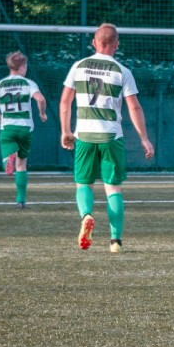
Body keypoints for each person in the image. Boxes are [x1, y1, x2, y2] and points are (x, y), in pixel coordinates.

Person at [60, 23, 154, 253]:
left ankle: (87, 215)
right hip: (111, 135)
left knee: (84, 184)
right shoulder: (122, 71)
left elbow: (65, 102)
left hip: (84, 134)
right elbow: (135, 107)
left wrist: (65, 131)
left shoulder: (78, 66)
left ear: (94, 42)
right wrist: (144, 138)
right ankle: (115, 241)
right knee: (113, 189)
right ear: (116, 45)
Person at [0, 50, 47, 208]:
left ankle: (8, 160)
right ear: (22, 67)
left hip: (8, 128)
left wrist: (0, 118)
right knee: (22, 164)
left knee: (8, 156)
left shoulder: (0, 84)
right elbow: (40, 99)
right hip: (25, 128)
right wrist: (42, 113)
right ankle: (21, 200)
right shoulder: (28, 83)